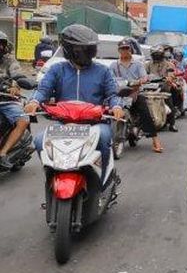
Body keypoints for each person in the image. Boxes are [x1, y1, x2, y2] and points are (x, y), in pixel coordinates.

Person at [24, 25, 124, 185]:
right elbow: (43, 89)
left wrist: (117, 106)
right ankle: (52, 179)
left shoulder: (102, 71)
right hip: (63, 124)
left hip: (94, 124)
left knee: (105, 138)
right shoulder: (57, 69)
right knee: (39, 140)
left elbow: (113, 94)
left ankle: (104, 181)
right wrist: (34, 102)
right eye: (82, 48)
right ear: (70, 49)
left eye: (89, 48)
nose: (87, 51)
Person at [110, 39, 164, 153]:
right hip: (119, 95)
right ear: (119, 50)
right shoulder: (113, 65)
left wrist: (141, 81)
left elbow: (144, 77)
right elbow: (109, 80)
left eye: (127, 48)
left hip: (134, 93)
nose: (125, 51)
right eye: (122, 49)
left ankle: (155, 140)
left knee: (145, 110)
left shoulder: (138, 64)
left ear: (130, 50)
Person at [0, 32, 34, 170]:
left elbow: (17, 75)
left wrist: (17, 83)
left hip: (6, 100)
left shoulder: (9, 61)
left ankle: (2, 153)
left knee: (23, 120)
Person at [146, 45, 179, 132]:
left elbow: (171, 75)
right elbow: (144, 75)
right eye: (155, 54)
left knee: (169, 101)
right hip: (149, 87)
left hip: (164, 87)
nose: (156, 56)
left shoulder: (169, 64)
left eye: (158, 54)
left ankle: (172, 124)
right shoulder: (148, 64)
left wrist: (169, 78)